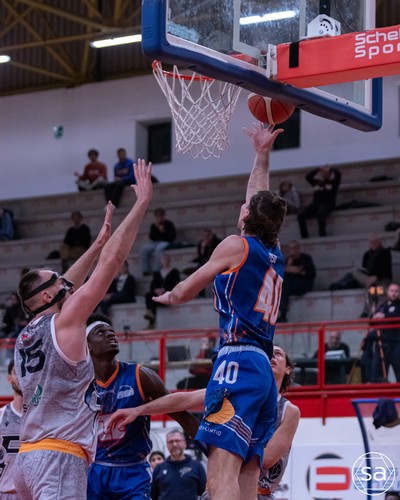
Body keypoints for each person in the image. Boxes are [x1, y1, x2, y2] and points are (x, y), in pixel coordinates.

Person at [148, 124, 287, 500]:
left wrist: (170, 296)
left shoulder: (235, 245)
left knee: (220, 471)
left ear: (247, 216)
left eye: (245, 206)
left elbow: (187, 289)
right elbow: (259, 197)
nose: (243, 204)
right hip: (262, 369)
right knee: (247, 472)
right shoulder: (274, 252)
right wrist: (261, 154)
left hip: (237, 360)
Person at [13, 159, 153, 499]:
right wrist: (141, 204)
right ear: (47, 296)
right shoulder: (67, 320)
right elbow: (113, 262)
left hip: (27, 458)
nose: (65, 280)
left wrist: (96, 244)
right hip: (58, 456)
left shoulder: (26, 334)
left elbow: (64, 285)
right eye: (56, 279)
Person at [106, 345, 300, 500]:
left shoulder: (288, 410)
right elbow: (184, 399)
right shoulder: (236, 391)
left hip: (256, 491)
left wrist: (220, 438)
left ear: (288, 369)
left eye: (278, 354)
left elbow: (267, 458)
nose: (272, 356)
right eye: (268, 353)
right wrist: (138, 410)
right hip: (218, 488)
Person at [85, 313, 200, 499]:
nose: (110, 334)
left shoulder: (140, 376)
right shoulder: (80, 384)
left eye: (111, 331)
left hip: (133, 472)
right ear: (87, 345)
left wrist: (212, 447)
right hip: (95, 470)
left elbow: (181, 414)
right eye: (101, 332)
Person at [151, 429, 206, 500]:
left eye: (177, 441)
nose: (174, 444)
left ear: (184, 443)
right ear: (167, 445)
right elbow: (154, 495)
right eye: (171, 442)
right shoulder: (159, 468)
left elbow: (203, 492)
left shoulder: (197, 466)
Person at [297, 165, 341, 238]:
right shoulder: (317, 182)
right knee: (300, 215)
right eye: (323, 173)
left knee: (320, 213)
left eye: (326, 173)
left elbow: (338, 174)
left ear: (330, 174)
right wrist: (318, 169)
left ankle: (322, 234)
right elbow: (308, 177)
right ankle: (304, 236)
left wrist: (330, 168)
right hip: (315, 204)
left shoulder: (333, 183)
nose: (324, 174)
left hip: (328, 204)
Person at [278, 240, 316, 323]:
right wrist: (287, 269)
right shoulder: (288, 260)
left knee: (285, 286)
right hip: (290, 285)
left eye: (295, 248)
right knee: (284, 285)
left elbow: (312, 274)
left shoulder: (306, 258)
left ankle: (283, 314)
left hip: (305, 284)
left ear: (298, 248)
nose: (293, 250)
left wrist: (299, 272)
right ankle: (282, 313)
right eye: (291, 248)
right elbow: (283, 276)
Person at [0, 360, 23, 498]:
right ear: (9, 379)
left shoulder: (43, 419)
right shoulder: (1, 416)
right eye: (16, 371)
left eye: (25, 371)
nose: (22, 375)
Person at [370, 282, 400, 382]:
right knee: (377, 376)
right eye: (392, 291)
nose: (394, 293)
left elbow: (395, 317)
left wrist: (384, 316)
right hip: (382, 344)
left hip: (396, 345)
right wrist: (373, 315)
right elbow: (371, 322)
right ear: (387, 292)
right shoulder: (381, 306)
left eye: (396, 291)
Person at [144, 252, 181, 328]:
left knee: (152, 302)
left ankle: (151, 321)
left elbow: (177, 284)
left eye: (166, 259)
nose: (165, 260)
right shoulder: (157, 273)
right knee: (149, 295)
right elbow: (152, 285)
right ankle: (150, 316)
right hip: (158, 295)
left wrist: (165, 290)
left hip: (168, 294)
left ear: (169, 260)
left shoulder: (174, 272)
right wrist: (156, 290)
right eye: (163, 259)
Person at [140, 208, 177, 276]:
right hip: (155, 242)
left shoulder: (169, 224)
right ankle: (145, 270)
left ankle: (156, 270)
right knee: (144, 249)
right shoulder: (153, 225)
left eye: (160, 216)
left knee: (159, 249)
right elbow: (152, 237)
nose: (159, 217)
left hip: (166, 242)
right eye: (157, 216)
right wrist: (156, 228)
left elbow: (172, 236)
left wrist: (163, 231)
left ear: (163, 216)